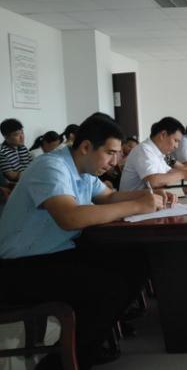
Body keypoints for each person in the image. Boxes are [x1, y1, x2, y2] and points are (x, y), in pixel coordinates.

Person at [0, 114, 174, 370]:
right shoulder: (51, 167)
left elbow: (108, 197)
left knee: (135, 259)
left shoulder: (83, 171)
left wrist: (150, 194)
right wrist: (138, 205)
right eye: (110, 153)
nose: (115, 161)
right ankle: (61, 362)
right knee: (109, 287)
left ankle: (91, 339)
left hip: (57, 253)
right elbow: (69, 217)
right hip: (20, 267)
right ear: (85, 147)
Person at [119, 117, 187, 191]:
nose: (176, 146)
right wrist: (183, 174)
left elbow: (168, 172)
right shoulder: (144, 149)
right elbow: (152, 181)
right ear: (163, 135)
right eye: (176, 141)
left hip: (148, 198)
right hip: (132, 200)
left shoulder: (159, 152)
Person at [0, 118, 32, 183]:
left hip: (29, 179)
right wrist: (31, 173)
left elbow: (32, 164)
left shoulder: (23, 148)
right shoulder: (2, 152)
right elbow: (11, 175)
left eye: (22, 133)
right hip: (17, 184)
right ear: (6, 137)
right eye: (16, 134)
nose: (22, 137)